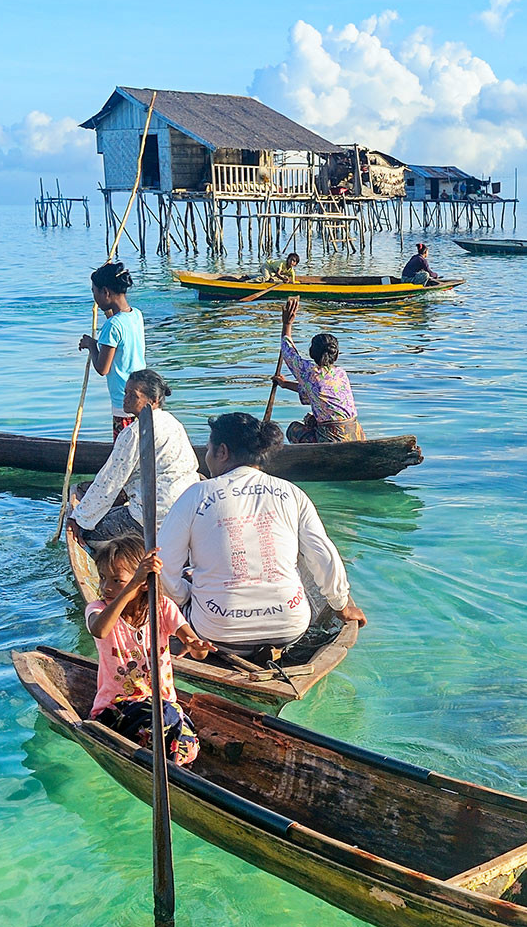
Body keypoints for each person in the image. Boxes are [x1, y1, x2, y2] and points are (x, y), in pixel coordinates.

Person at [158, 411, 366, 658]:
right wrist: (341, 606)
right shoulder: (292, 492)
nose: (207, 456)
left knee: (182, 577)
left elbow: (164, 567)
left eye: (208, 449)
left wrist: (184, 597)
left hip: (218, 632)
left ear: (222, 452)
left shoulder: (196, 494)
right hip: (291, 628)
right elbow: (323, 554)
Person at [86, 534, 210, 767]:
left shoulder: (162, 607)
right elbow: (99, 630)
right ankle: (173, 771)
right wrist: (131, 585)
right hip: (116, 708)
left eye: (116, 581)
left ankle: (174, 770)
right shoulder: (98, 610)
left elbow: (197, 651)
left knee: (185, 738)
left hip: (163, 707)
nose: (105, 587)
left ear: (144, 583)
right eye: (103, 579)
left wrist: (196, 646)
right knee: (164, 719)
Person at [68, 369, 202, 541]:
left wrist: (79, 519)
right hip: (185, 511)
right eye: (126, 393)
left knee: (88, 534)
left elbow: (110, 481)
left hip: (151, 519)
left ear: (153, 401)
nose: (126, 398)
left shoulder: (134, 433)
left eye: (133, 395)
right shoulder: (173, 423)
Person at [273, 296, 362, 444]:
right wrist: (285, 384)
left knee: (293, 429)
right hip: (356, 434)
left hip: (331, 439)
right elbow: (314, 392)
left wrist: (287, 324)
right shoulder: (340, 374)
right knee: (310, 419)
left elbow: (288, 352)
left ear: (312, 353)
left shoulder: (311, 373)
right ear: (336, 355)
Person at [79, 262, 145, 418]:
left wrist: (91, 345)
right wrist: (108, 313)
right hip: (142, 393)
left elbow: (102, 368)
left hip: (124, 400)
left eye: (94, 292)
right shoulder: (136, 314)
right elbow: (118, 329)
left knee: (123, 441)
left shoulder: (112, 326)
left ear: (106, 292)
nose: (94, 298)